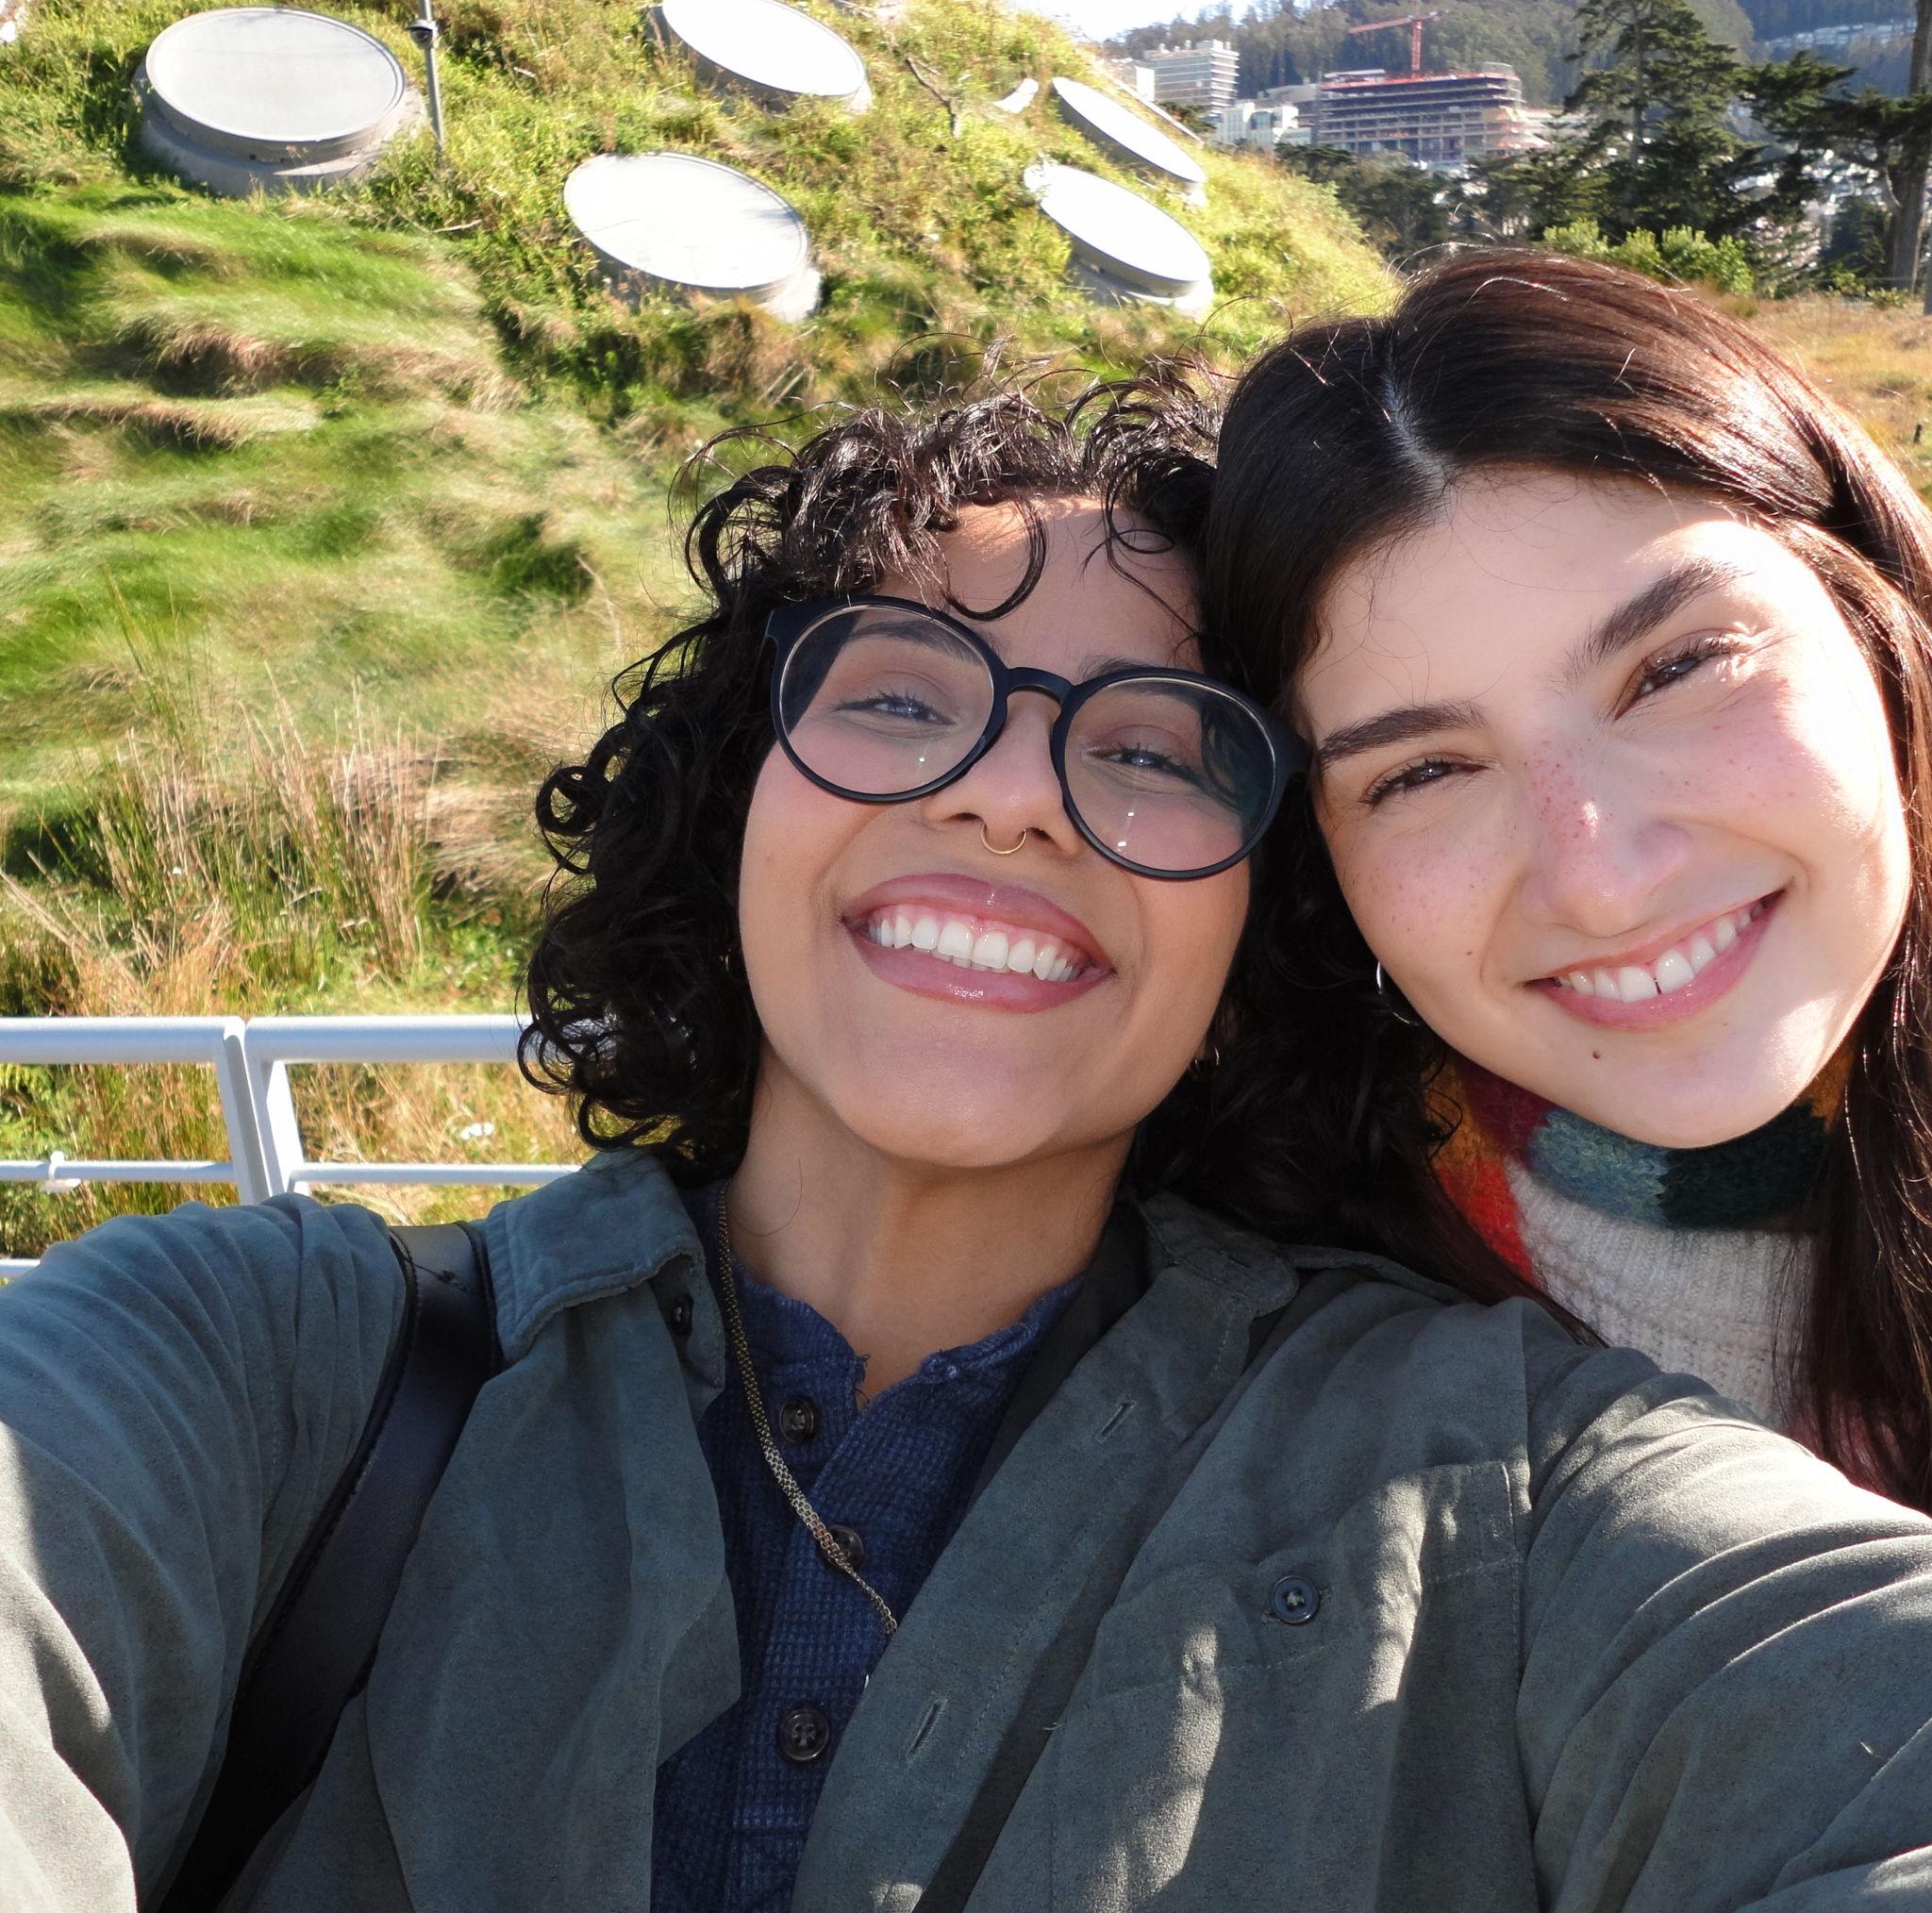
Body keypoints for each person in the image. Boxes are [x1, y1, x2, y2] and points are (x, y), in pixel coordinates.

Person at [7, 370, 1932, 1913]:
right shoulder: (262, 1366)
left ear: (1263, 921)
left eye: (1156, 747)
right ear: (734, 793)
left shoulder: (1513, 1470)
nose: (1011, 793)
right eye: (901, 697)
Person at [1205, 248, 1932, 1508]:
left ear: (1877, 622)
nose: (1598, 881)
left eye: (1670, 673)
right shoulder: (1244, 1356)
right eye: (1422, 774)